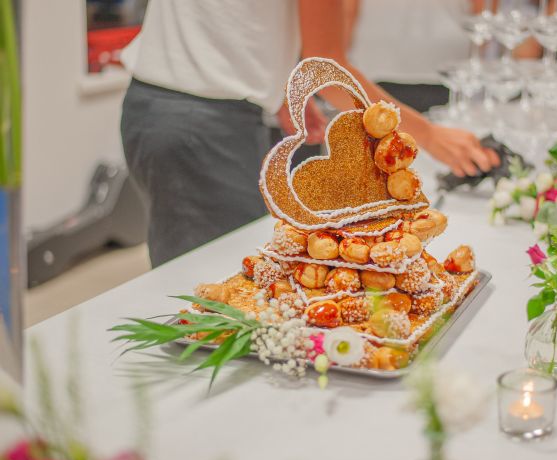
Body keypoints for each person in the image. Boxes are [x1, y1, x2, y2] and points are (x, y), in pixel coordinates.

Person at [121, 0, 499, 267]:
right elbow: (328, 65)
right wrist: (429, 135)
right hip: (201, 127)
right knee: (209, 307)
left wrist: (276, 88)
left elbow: (230, 23)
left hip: (163, 107)